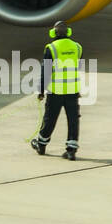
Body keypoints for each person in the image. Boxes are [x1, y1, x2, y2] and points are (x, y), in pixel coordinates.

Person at [31, 22, 83, 160]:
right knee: (73, 120)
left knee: (50, 118)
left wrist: (41, 90)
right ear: (69, 32)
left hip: (56, 91)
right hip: (72, 91)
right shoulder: (77, 47)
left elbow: (46, 72)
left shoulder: (51, 48)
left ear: (53, 33)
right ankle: (71, 150)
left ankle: (41, 144)